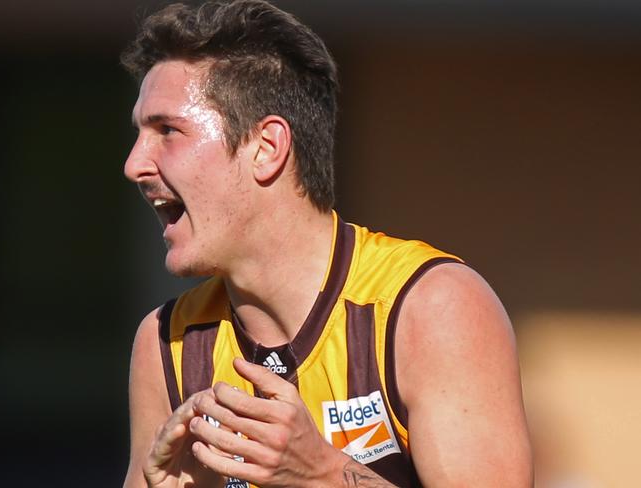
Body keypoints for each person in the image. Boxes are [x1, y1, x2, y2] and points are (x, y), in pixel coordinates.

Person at [121, 1, 533, 487]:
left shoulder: (430, 309)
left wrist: (321, 474)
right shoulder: (166, 343)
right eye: (140, 134)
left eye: (167, 130)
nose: (134, 165)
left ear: (267, 148)